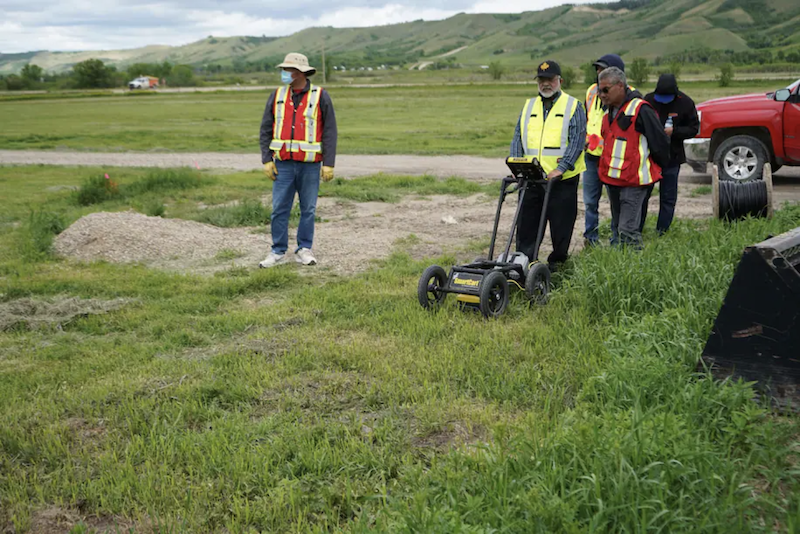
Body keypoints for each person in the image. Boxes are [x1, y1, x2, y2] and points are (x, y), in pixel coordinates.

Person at [258, 52, 337, 268]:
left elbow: (330, 131)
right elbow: (266, 129)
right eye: (284, 69)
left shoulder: (320, 96)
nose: (284, 73)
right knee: (279, 209)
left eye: (288, 70)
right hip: (283, 164)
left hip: (310, 166)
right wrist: (266, 159)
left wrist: (328, 163)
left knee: (308, 209)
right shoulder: (277, 96)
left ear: (300, 73)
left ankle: (304, 248)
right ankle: (277, 251)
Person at [510, 60, 587, 270]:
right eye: (542, 80)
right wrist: (517, 164)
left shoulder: (573, 106)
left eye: (550, 79)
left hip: (561, 181)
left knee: (561, 227)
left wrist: (561, 169)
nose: (546, 84)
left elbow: (577, 141)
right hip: (532, 178)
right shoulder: (529, 106)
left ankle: (557, 267)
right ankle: (524, 266)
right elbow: (518, 137)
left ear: (560, 80)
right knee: (527, 225)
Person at [597, 67, 670, 248]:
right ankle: (620, 262)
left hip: (634, 181)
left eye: (605, 90)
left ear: (620, 86)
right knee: (617, 227)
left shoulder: (641, 109)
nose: (601, 94)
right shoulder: (609, 111)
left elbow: (660, 143)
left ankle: (636, 263)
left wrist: (658, 168)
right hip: (613, 180)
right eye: (599, 90)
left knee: (627, 230)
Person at [640, 74, 700, 235]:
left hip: (672, 158)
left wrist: (675, 131)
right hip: (650, 158)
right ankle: (637, 229)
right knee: (642, 195)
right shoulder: (648, 100)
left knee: (668, 197)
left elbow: (694, 128)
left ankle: (662, 231)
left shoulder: (685, 103)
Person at [583, 53, 628, 246]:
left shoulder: (628, 95)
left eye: (603, 69)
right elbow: (587, 117)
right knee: (590, 202)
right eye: (598, 69)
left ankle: (616, 239)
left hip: (614, 158)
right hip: (592, 157)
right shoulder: (591, 91)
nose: (599, 73)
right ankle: (590, 239)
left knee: (616, 203)